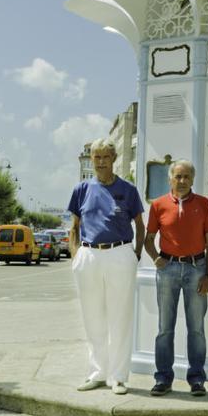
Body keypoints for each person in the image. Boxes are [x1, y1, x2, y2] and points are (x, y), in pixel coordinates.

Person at [67, 138, 145, 395]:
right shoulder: (81, 189)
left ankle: (118, 377)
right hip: (89, 255)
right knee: (93, 317)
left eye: (105, 157)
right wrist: (75, 255)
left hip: (120, 253)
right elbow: (75, 227)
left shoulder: (128, 190)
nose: (100, 162)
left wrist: (134, 254)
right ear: (92, 160)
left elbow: (140, 225)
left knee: (120, 317)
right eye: (96, 158)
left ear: (113, 159)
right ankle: (97, 372)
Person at [143, 159, 208, 397]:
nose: (182, 181)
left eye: (187, 176)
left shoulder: (204, 205)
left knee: (196, 328)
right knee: (165, 328)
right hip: (168, 271)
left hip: (197, 269)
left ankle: (196, 379)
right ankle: (163, 378)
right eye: (178, 176)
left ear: (193, 179)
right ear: (170, 179)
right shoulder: (158, 205)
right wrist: (156, 258)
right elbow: (148, 239)